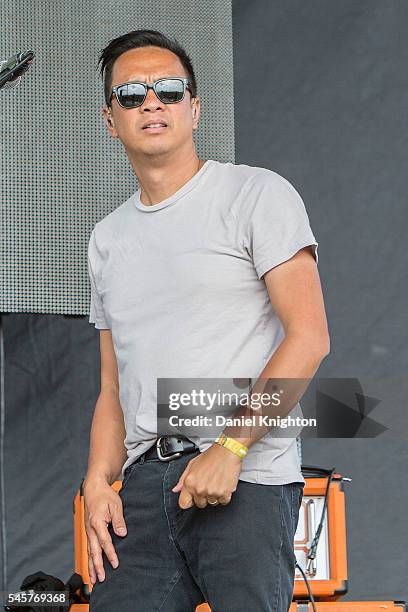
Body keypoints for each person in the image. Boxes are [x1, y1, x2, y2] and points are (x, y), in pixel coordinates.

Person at [84, 28, 330, 612]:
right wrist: (97, 482)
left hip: (245, 477)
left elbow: (310, 338)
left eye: (169, 90)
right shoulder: (106, 239)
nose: (151, 102)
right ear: (109, 119)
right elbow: (114, 388)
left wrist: (232, 448)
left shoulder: (255, 194)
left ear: (194, 109)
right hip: (146, 486)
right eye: (132, 94)